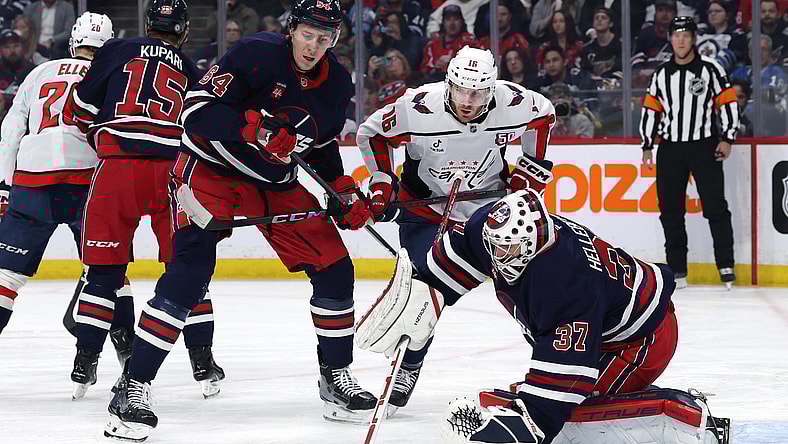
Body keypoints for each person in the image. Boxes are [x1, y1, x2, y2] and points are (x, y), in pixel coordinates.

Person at [101, 0, 376, 440]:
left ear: (335, 40)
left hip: (273, 182)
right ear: (292, 30)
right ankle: (133, 386)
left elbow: (320, 145)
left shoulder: (337, 81)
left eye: (324, 39)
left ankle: (335, 377)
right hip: (211, 167)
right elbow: (194, 112)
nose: (314, 46)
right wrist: (253, 128)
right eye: (308, 35)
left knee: (335, 265)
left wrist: (339, 188)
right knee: (190, 273)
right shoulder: (255, 53)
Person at [357, 189, 680, 444]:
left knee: (574, 409)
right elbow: (464, 250)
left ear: (531, 246)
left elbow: (566, 380)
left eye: (508, 250)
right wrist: (425, 293)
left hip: (642, 340)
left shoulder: (564, 282)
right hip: (606, 315)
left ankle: (673, 417)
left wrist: (529, 421)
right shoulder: (495, 228)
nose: (498, 257)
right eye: (495, 246)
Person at [356, 45, 556, 414]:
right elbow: (371, 134)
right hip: (425, 208)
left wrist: (531, 168)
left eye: (478, 92)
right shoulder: (417, 105)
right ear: (447, 83)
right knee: (422, 293)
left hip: (488, 212)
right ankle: (408, 367)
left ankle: (555, 366)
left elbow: (544, 116)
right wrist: (383, 180)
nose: (468, 100)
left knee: (527, 284)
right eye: (461, 90)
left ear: (492, 88)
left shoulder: (513, 101)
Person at [68, 0, 224, 406]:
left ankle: (84, 363)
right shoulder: (191, 69)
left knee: (103, 273)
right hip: (171, 172)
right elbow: (204, 130)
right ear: (183, 31)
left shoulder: (115, 50)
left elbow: (77, 111)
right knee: (187, 269)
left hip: (116, 168)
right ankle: (203, 362)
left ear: (148, 23)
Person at [0, 12, 112, 341]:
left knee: (5, 277)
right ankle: (124, 361)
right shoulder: (111, 75)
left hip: (33, 183)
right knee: (107, 270)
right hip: (88, 183)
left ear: (73, 40)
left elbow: (10, 131)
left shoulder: (39, 72)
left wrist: (4, 184)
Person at [640, 17, 739, 290]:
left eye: (685, 35)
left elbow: (728, 103)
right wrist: (647, 144)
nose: (681, 40)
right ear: (670, 39)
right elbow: (651, 110)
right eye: (676, 35)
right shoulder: (661, 74)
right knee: (670, 209)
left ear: (694, 38)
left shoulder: (711, 69)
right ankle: (676, 270)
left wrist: (728, 137)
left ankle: (726, 265)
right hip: (670, 147)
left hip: (704, 145)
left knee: (715, 206)